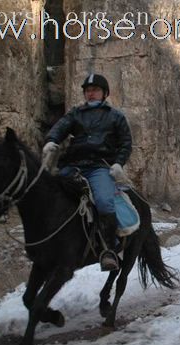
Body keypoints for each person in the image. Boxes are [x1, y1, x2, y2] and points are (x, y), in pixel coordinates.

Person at [42, 73, 132, 272]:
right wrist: (51, 140)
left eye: (95, 90)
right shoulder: (75, 114)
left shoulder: (116, 116)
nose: (91, 94)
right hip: (72, 165)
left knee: (103, 201)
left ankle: (109, 249)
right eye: (88, 90)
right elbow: (60, 127)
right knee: (49, 195)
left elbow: (126, 143)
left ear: (104, 93)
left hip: (99, 167)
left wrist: (118, 163)